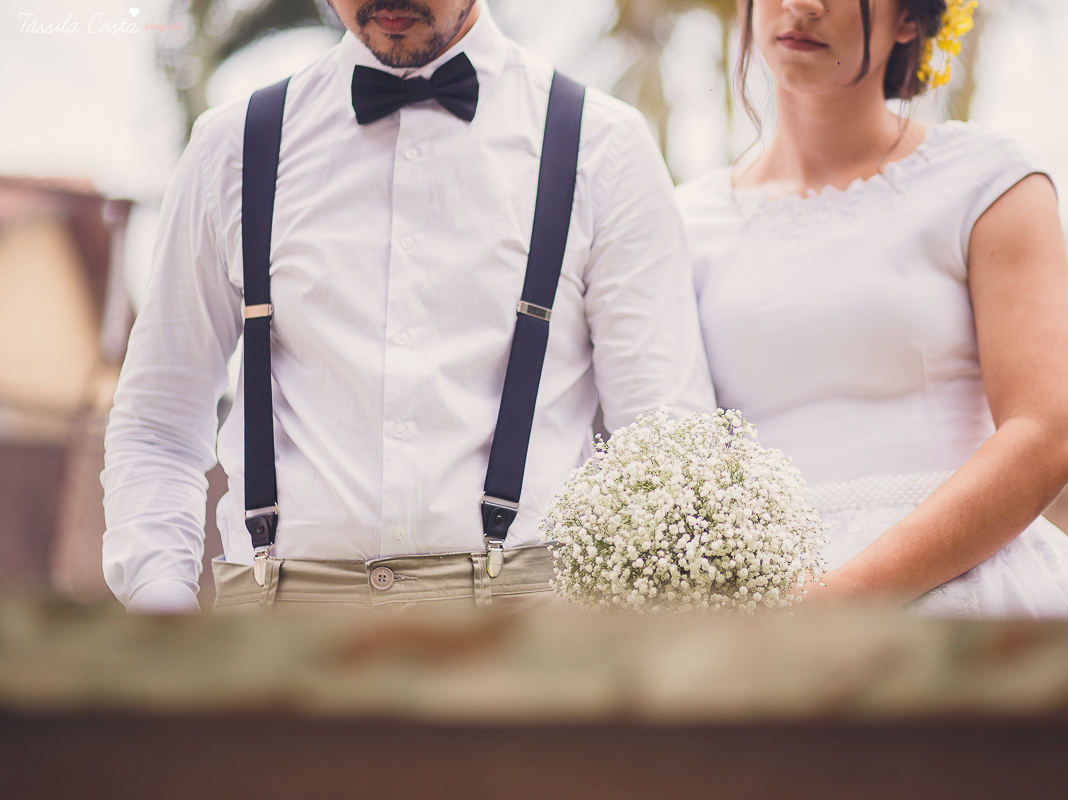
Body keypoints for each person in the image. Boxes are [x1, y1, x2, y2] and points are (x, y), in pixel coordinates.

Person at [102, 0, 714, 613]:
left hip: (527, 634)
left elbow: (665, 445)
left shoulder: (602, 148)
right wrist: (163, 613)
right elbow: (158, 424)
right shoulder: (232, 147)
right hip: (271, 631)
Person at [676, 0, 1068, 617]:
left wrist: (838, 602)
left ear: (910, 18)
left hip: (962, 587)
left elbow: (1050, 435)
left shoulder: (989, 179)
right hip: (766, 612)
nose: (802, 6)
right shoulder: (686, 221)